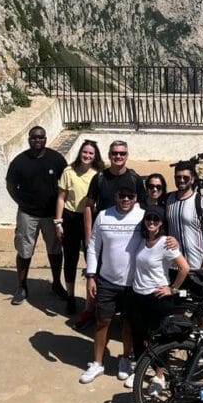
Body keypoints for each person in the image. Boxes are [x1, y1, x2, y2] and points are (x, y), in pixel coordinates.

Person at [79, 176, 143, 384]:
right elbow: (93, 248)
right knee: (102, 321)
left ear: (135, 198)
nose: (125, 199)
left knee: (128, 323)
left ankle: (125, 359)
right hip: (106, 280)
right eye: (122, 195)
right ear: (115, 196)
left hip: (133, 283)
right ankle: (97, 363)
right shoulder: (103, 216)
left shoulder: (143, 217)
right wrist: (91, 276)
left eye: (130, 196)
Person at [75, 139, 143, 330]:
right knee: (94, 271)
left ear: (127, 156)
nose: (118, 156)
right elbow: (89, 205)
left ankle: (124, 312)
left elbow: (144, 208)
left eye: (122, 153)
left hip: (127, 236)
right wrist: (88, 235)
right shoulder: (100, 178)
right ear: (109, 155)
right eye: (115, 153)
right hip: (104, 232)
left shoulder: (134, 179)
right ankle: (90, 309)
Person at [125, 205, 189, 391]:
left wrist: (173, 289)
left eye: (156, 219)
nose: (151, 222)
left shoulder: (166, 243)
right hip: (138, 295)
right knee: (139, 336)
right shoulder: (141, 241)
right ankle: (140, 369)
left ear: (161, 223)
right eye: (149, 218)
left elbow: (184, 268)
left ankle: (159, 376)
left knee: (160, 339)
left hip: (157, 298)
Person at [6, 125, 67, 305]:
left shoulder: (56, 159)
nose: (37, 140)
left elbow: (65, 183)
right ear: (29, 139)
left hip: (50, 215)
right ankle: (22, 286)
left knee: (55, 250)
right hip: (28, 214)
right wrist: (22, 203)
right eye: (34, 137)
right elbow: (10, 186)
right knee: (24, 251)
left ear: (45, 139)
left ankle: (56, 284)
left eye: (40, 137)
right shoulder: (19, 161)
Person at [54, 140, 105, 315]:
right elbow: (61, 197)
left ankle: (92, 300)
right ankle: (70, 297)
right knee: (70, 258)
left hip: (92, 218)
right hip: (70, 217)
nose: (87, 156)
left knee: (92, 258)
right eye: (85, 152)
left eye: (91, 153)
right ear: (80, 152)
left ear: (95, 156)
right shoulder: (68, 171)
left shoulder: (99, 174)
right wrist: (58, 222)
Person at [165, 160, 203, 297]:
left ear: (193, 178)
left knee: (199, 312)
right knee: (178, 310)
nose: (181, 180)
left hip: (197, 267)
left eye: (185, 177)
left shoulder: (201, 202)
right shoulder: (168, 199)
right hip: (175, 267)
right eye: (178, 177)